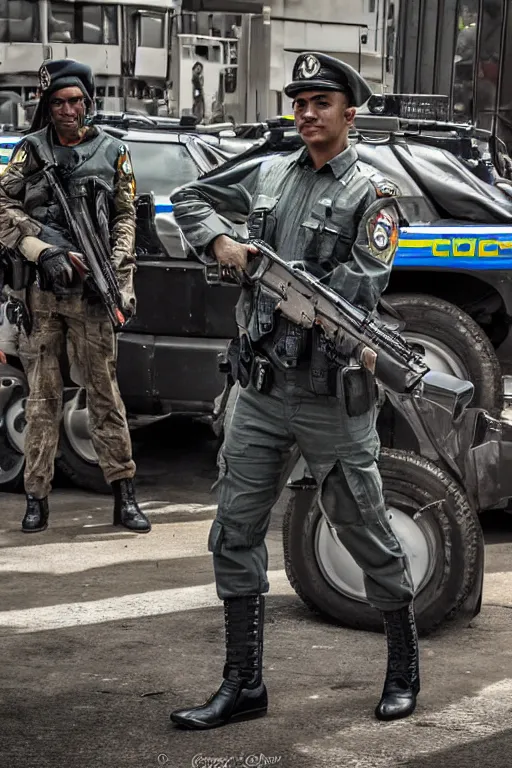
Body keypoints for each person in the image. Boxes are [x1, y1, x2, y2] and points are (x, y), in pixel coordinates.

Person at [168, 52, 419, 730]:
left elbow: (362, 291)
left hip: (327, 395)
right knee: (234, 532)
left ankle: (403, 668)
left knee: (364, 529)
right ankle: (243, 683)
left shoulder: (375, 194)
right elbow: (189, 200)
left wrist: (292, 291)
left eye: (321, 103)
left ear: (350, 112)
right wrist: (222, 242)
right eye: (299, 101)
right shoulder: (270, 169)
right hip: (257, 388)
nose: (306, 113)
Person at [0, 58, 151, 534]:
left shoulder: (113, 151)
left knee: (105, 395)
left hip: (92, 295)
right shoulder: (30, 151)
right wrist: (40, 249)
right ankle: (36, 496)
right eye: (60, 102)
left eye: (78, 101)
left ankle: (124, 494)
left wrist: (117, 273)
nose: (70, 110)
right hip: (43, 299)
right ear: (47, 105)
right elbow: (2, 203)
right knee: (42, 400)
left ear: (89, 101)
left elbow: (126, 214)